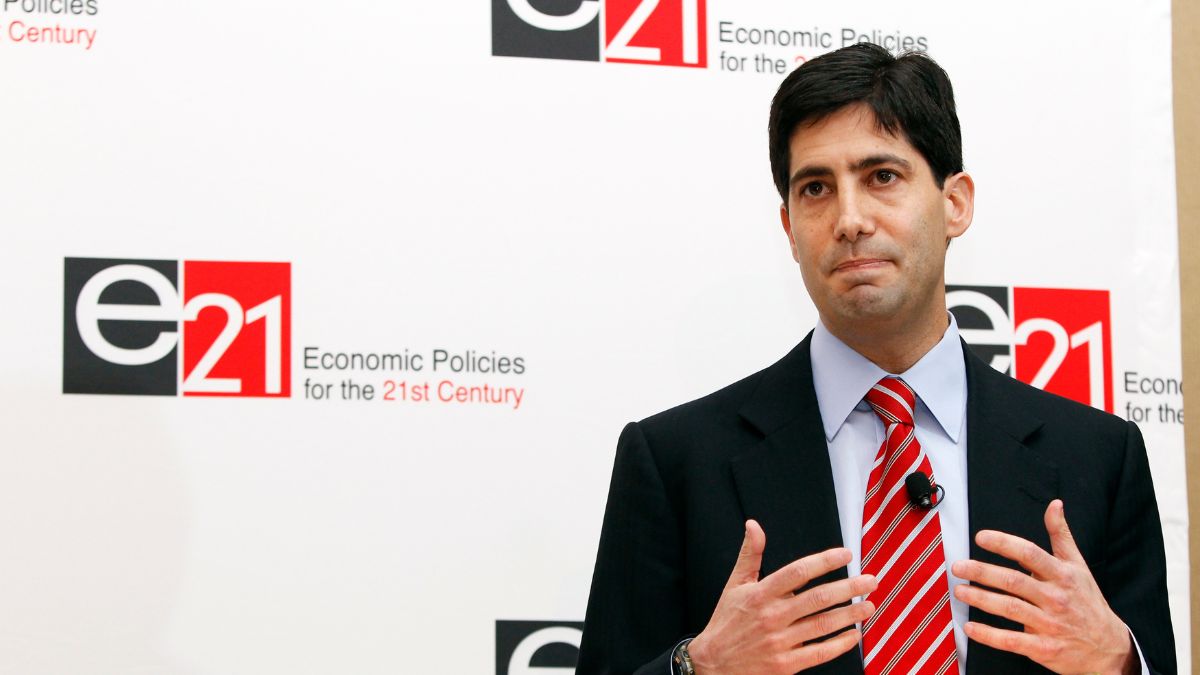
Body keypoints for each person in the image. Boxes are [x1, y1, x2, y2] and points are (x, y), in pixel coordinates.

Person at [575, 43, 1175, 675]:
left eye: (881, 177)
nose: (849, 219)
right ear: (789, 227)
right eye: (816, 189)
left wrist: (1118, 664)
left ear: (955, 203)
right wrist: (697, 668)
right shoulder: (675, 462)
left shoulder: (1099, 459)